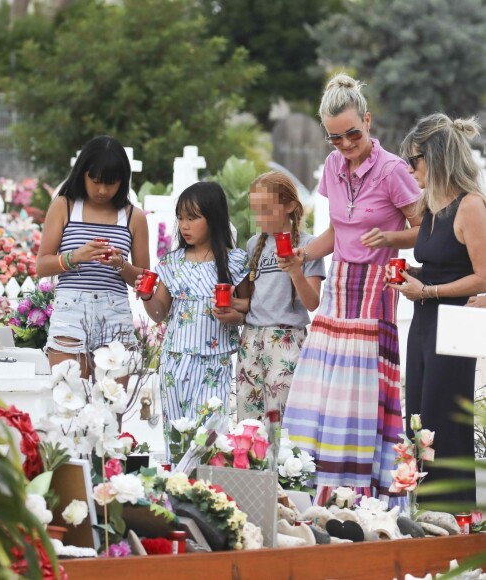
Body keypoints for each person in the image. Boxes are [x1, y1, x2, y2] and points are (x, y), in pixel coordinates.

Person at [281, 73, 422, 508]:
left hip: (374, 292)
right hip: (339, 288)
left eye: (353, 134)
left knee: (358, 397)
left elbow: (423, 229)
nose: (345, 144)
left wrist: (390, 238)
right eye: (334, 138)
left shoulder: (394, 170)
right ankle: (316, 489)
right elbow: (337, 231)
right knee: (322, 391)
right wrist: (304, 255)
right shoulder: (332, 167)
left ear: (368, 120)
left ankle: (363, 496)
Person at [388, 113, 486, 504]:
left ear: (436, 157)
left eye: (413, 161)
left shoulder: (471, 206)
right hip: (426, 321)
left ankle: (456, 509)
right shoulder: (431, 208)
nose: (409, 170)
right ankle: (428, 508)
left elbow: (483, 276)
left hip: (455, 322)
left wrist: (428, 289)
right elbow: (436, 263)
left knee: (445, 419)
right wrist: (409, 273)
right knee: (422, 418)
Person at [138, 182, 249, 456]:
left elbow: (251, 308)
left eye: (193, 218)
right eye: (180, 218)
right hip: (175, 362)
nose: (184, 225)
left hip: (215, 362)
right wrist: (145, 295)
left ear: (214, 218)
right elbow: (159, 314)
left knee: (210, 439)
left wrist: (233, 315)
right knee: (177, 437)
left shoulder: (235, 262)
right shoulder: (171, 262)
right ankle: (177, 489)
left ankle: (207, 492)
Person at [36, 135, 149, 378]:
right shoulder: (64, 206)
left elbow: (144, 279)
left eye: (111, 183)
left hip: (115, 313)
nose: (102, 190)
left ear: (123, 181)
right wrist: (74, 257)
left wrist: (120, 264)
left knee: (112, 406)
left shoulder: (133, 217)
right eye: (95, 181)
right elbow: (42, 266)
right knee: (69, 405)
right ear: (82, 174)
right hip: (71, 312)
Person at [233, 171, 326, 431]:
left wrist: (296, 270)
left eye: (267, 209)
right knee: (247, 417)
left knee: (281, 418)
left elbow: (312, 302)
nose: (260, 218)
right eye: (256, 211)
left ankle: (283, 471)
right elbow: (252, 299)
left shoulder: (310, 246)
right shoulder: (254, 244)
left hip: (285, 339)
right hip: (251, 338)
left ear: (290, 206)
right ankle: (249, 469)